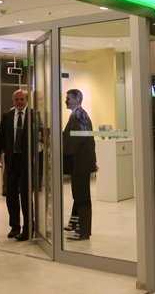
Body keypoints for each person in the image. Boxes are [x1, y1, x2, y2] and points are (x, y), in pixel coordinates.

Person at [0, 89, 31, 241]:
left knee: (26, 195)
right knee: (11, 195)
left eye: (22, 99)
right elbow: (0, 137)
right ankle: (15, 227)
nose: (19, 102)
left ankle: (28, 228)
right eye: (17, 99)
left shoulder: (33, 115)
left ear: (26, 100)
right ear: (13, 101)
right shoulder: (7, 116)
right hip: (12, 160)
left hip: (27, 161)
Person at [62, 88, 96, 241]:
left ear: (76, 100)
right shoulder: (77, 114)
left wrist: (62, 148)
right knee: (78, 195)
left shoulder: (79, 115)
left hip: (80, 163)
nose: (66, 101)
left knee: (82, 197)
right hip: (80, 163)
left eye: (68, 98)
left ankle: (83, 232)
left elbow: (79, 139)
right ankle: (74, 224)